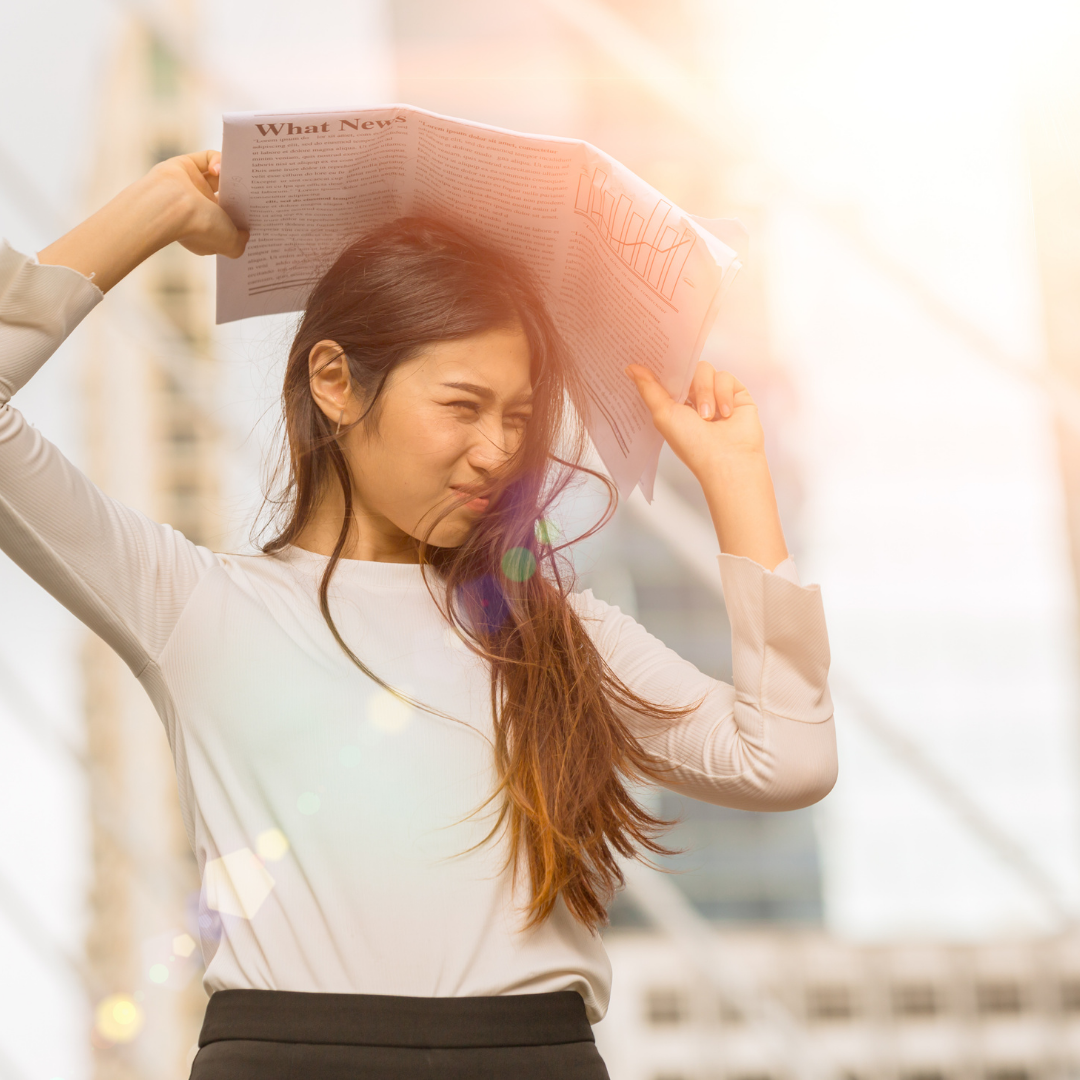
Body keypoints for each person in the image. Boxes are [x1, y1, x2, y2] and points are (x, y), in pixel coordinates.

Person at [0, 150, 837, 1079]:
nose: (497, 451)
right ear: (335, 382)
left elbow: (787, 760)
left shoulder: (558, 635)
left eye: (519, 416)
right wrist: (154, 208)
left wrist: (736, 485)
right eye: (463, 406)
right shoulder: (189, 603)